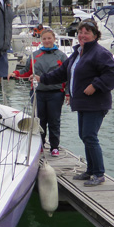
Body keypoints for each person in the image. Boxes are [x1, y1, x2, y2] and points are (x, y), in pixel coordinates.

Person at [34, 19, 114, 186]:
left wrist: (96, 85)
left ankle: (99, 173)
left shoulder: (99, 53)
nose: (82, 35)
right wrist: (42, 79)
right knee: (84, 136)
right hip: (83, 103)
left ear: (95, 36)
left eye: (87, 33)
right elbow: (61, 73)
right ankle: (90, 170)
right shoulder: (78, 53)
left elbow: (113, 73)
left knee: (89, 136)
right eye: (80, 32)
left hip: (96, 103)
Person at [13, 28, 68, 156]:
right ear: (41, 40)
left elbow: (68, 76)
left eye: (49, 38)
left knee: (54, 121)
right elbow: (27, 71)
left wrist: (68, 93)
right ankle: (40, 144)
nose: (47, 41)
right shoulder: (34, 55)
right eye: (44, 39)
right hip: (38, 93)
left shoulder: (61, 56)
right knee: (39, 120)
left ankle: (54, 147)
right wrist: (15, 73)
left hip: (56, 93)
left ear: (54, 39)